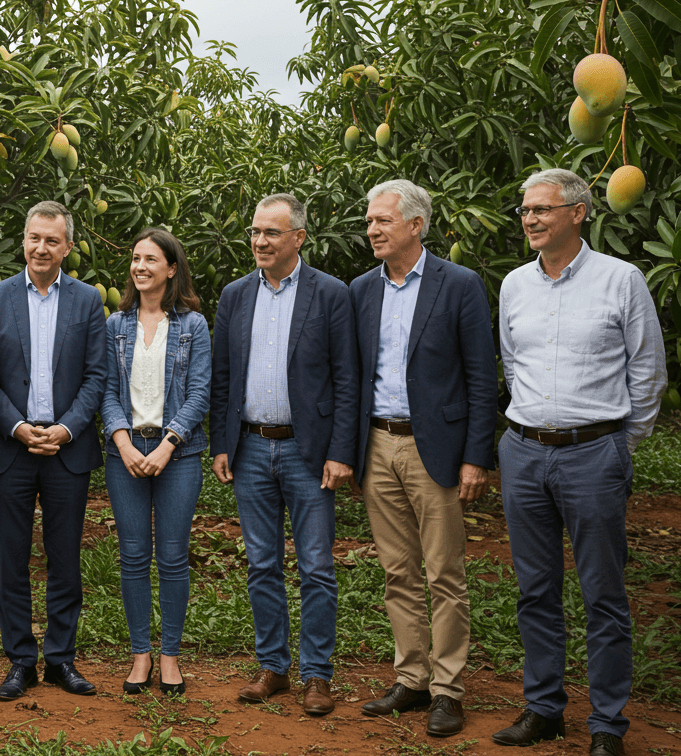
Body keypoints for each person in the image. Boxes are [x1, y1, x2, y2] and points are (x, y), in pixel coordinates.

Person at [492, 168, 666, 756]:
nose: (530, 219)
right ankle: (543, 709)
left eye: (542, 209)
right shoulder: (514, 285)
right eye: (525, 210)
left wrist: (617, 442)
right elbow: (513, 365)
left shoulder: (622, 280)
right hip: (523, 453)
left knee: (603, 594)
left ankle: (607, 726)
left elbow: (647, 373)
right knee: (535, 590)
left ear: (578, 212)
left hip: (594, 453)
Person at [350, 180, 498, 737]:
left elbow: (483, 378)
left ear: (416, 225)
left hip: (435, 447)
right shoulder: (361, 289)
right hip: (378, 445)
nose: (372, 230)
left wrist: (474, 458)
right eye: (370, 221)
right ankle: (411, 677)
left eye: (383, 221)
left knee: (445, 573)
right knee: (397, 571)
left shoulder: (458, 285)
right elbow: (351, 377)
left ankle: (448, 688)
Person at [209, 192, 359, 716]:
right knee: (262, 563)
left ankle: (317, 675)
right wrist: (222, 443)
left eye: (271, 233)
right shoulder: (234, 295)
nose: (259, 241)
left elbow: (347, 379)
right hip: (250, 447)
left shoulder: (330, 294)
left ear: (298, 237)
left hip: (308, 452)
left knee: (316, 566)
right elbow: (223, 376)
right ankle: (273, 668)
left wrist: (341, 452)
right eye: (254, 232)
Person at [0, 200, 108, 700]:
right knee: (11, 559)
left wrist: (67, 428)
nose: (41, 247)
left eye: (52, 240)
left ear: (67, 247)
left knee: (64, 559)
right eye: (34, 237)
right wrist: (15, 426)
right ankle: (20, 661)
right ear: (24, 239)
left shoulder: (86, 300)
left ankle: (60, 659)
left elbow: (97, 375)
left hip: (65, 450)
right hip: (10, 448)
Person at [100, 228, 211, 697]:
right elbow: (106, 391)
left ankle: (170, 656)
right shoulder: (115, 325)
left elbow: (201, 391)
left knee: (171, 557)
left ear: (171, 268)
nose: (139, 267)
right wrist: (124, 444)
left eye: (150, 259)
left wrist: (168, 444)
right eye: (135, 259)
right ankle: (140, 655)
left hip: (178, 455)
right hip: (124, 452)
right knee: (132, 557)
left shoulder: (193, 326)